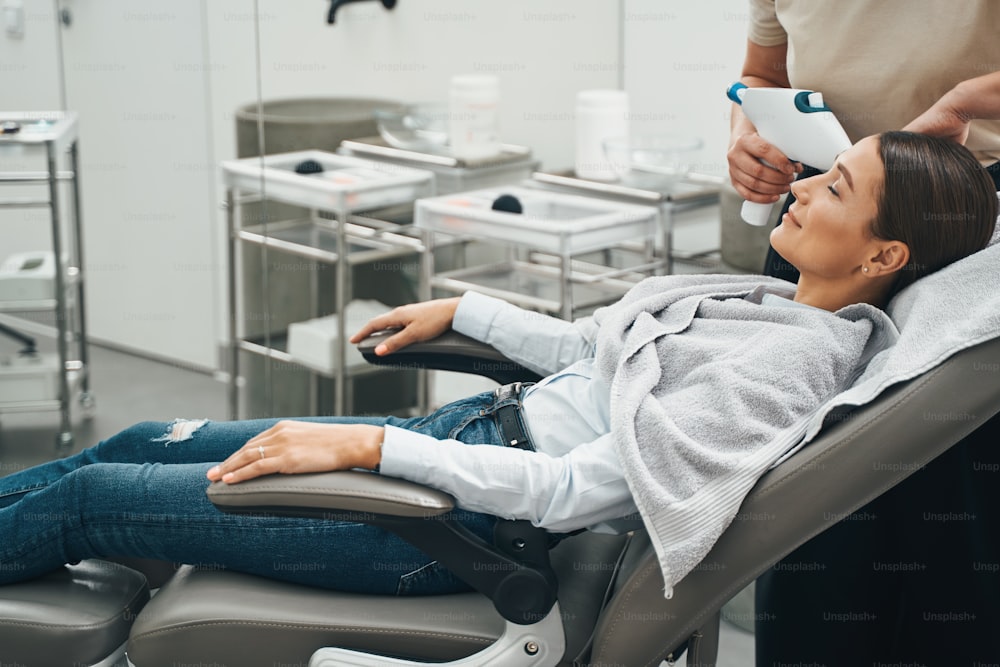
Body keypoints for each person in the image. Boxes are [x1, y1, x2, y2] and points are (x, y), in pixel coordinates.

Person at [0, 133, 995, 600]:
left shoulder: (784, 369)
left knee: (94, 494)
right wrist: (468, 310)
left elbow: (572, 490)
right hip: (457, 446)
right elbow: (600, 357)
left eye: (838, 186)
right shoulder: (772, 307)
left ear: (880, 259)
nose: (805, 184)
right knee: (132, 439)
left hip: (442, 525)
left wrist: (372, 442)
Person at [727, 0, 1000, 282]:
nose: (797, 188)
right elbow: (762, 75)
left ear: (884, 257)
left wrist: (963, 103)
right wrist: (746, 134)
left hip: (955, 196)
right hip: (832, 188)